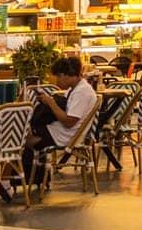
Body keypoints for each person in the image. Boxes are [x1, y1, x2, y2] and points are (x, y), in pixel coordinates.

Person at [25, 57, 98, 185]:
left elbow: (69, 121)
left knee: (18, 138)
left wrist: (51, 102)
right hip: (59, 131)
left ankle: (9, 182)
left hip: (64, 135)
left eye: (59, 76)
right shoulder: (75, 89)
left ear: (68, 75)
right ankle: (36, 178)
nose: (57, 80)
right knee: (21, 133)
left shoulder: (82, 92)